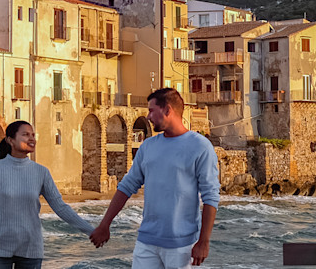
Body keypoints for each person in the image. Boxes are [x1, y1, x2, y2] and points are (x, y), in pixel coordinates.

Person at [90, 88, 220, 268]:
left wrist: (204, 242)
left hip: (182, 245)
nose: (148, 116)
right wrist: (105, 224)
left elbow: (210, 196)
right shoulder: (148, 147)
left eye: (152, 110)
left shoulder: (200, 146)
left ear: (167, 110)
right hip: (146, 242)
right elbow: (127, 186)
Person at [0, 120, 94, 269]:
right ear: (10, 140)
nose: (32, 138)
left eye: (33, 135)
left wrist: (91, 231)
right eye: (25, 135)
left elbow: (61, 208)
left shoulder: (41, 172)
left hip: (31, 249)